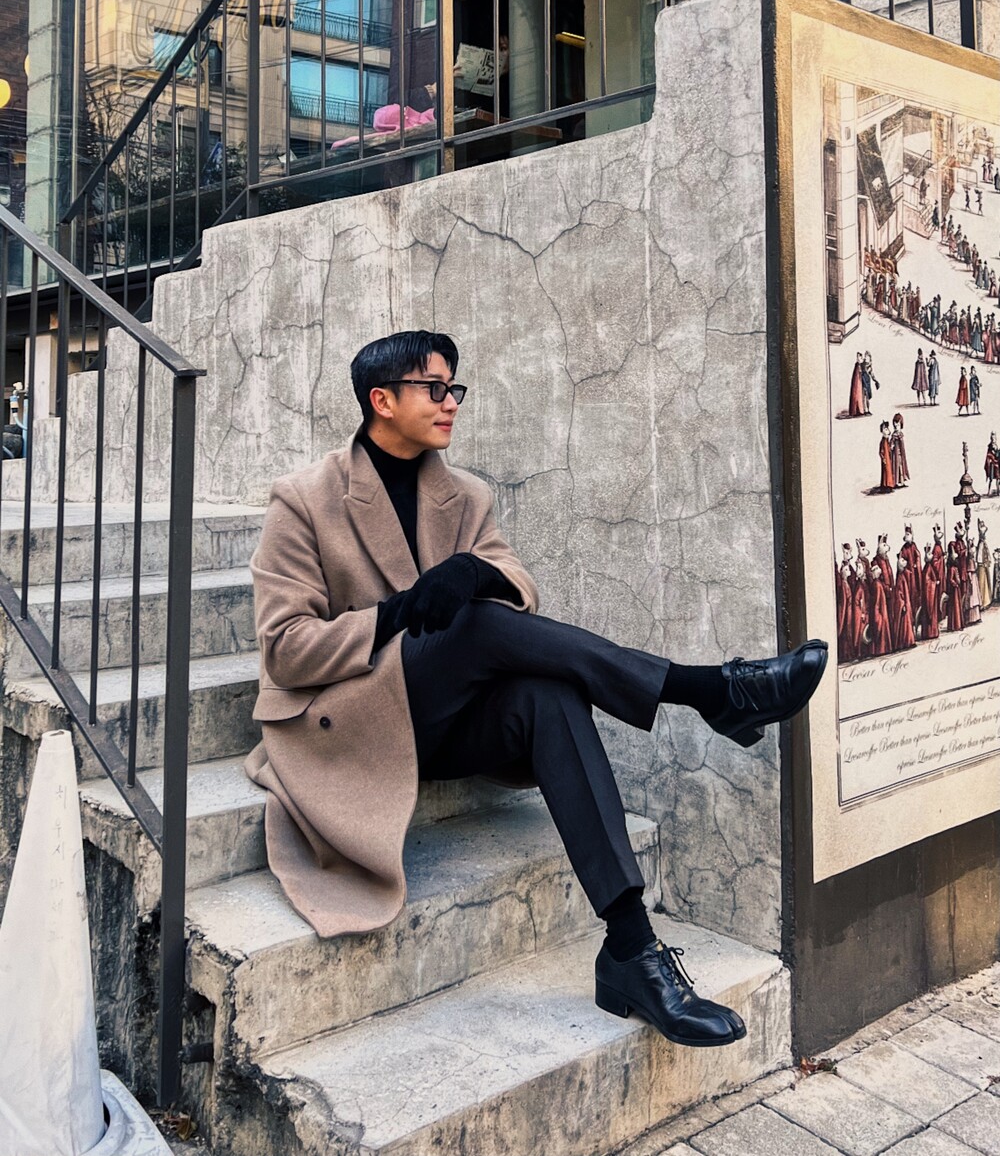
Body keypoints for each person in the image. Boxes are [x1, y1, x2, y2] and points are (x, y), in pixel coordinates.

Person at [245, 330, 828, 1050]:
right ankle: (708, 689)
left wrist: (476, 572)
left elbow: (517, 584)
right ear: (382, 400)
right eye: (434, 389)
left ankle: (632, 948)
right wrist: (398, 614)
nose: (451, 402)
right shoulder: (305, 500)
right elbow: (285, 648)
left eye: (455, 388)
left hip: (444, 724)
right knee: (474, 624)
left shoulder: (463, 495)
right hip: (354, 722)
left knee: (549, 695)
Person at [920, 543, 941, 641]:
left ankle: (932, 632)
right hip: (929, 595)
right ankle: (930, 633)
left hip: (932, 595)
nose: (932, 555)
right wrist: (935, 583)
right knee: (930, 614)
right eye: (929, 554)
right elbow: (927, 583)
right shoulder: (928, 568)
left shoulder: (929, 567)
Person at [890, 413, 909, 486]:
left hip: (900, 453)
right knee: (896, 466)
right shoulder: (894, 435)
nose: (896, 427)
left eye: (898, 425)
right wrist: (892, 445)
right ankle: (896, 482)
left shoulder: (900, 434)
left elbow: (902, 445)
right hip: (895, 454)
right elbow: (891, 443)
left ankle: (902, 480)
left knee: (901, 466)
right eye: (895, 425)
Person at [849, 352, 865, 417]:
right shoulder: (857, 365)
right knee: (856, 395)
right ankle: (855, 410)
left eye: (859, 357)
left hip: (859, 383)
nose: (858, 358)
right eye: (857, 357)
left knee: (859, 395)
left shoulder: (861, 365)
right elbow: (856, 375)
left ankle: (860, 410)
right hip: (856, 383)